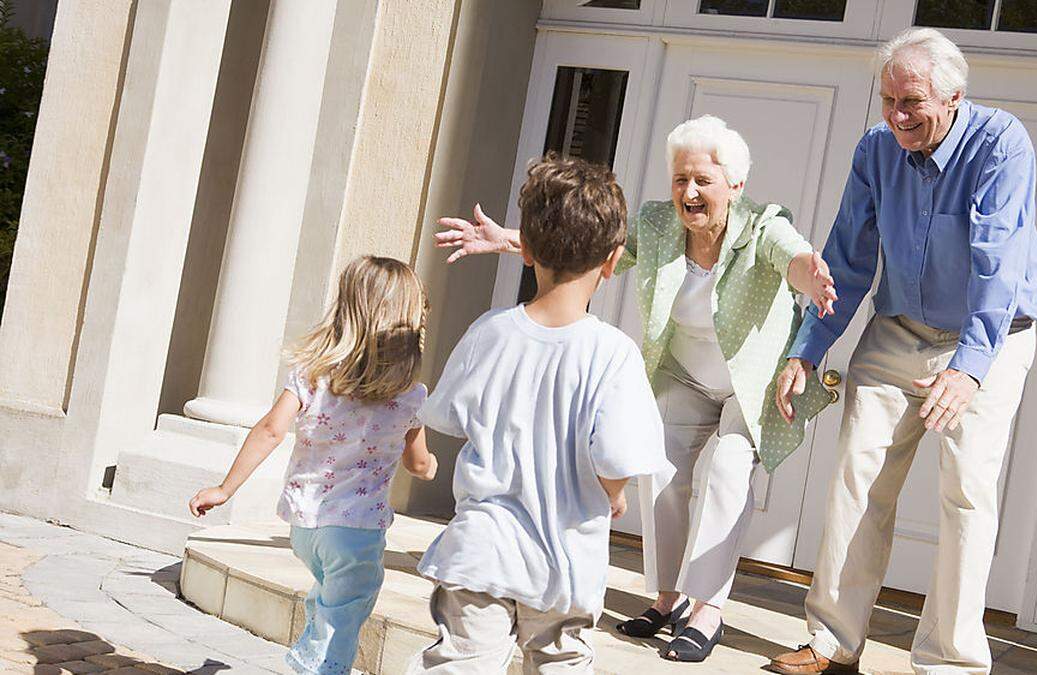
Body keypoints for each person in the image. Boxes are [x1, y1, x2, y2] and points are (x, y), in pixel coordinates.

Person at [435, 115, 837, 662]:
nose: (688, 193)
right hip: (685, 372)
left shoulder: (763, 226)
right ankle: (668, 597)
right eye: (679, 180)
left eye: (702, 181)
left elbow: (791, 256)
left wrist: (808, 275)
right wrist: (512, 241)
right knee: (664, 470)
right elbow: (589, 248)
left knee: (725, 470)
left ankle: (707, 607)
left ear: (735, 186)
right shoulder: (656, 223)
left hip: (748, 383)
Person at [767, 28, 1037, 675]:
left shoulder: (1000, 144)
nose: (896, 116)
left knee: (966, 492)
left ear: (953, 96)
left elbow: (998, 266)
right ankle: (832, 641)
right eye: (888, 100)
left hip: (994, 335)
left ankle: (949, 662)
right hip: (898, 330)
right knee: (856, 476)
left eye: (911, 102)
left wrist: (970, 369)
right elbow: (847, 255)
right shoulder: (876, 149)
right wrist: (807, 349)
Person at [408, 155, 669, 674]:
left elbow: (445, 416)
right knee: (559, 664)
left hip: (481, 551)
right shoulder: (613, 353)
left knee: (461, 663)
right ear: (614, 259)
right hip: (564, 562)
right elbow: (616, 456)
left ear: (523, 249)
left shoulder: (490, 331)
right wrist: (612, 494)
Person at [188, 255, 437, 675]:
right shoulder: (409, 396)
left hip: (305, 526)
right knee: (347, 615)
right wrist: (430, 466)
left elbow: (269, 430)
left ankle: (312, 652)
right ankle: (319, 667)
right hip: (357, 532)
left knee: (329, 596)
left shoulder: (311, 375)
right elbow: (419, 464)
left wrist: (224, 490)